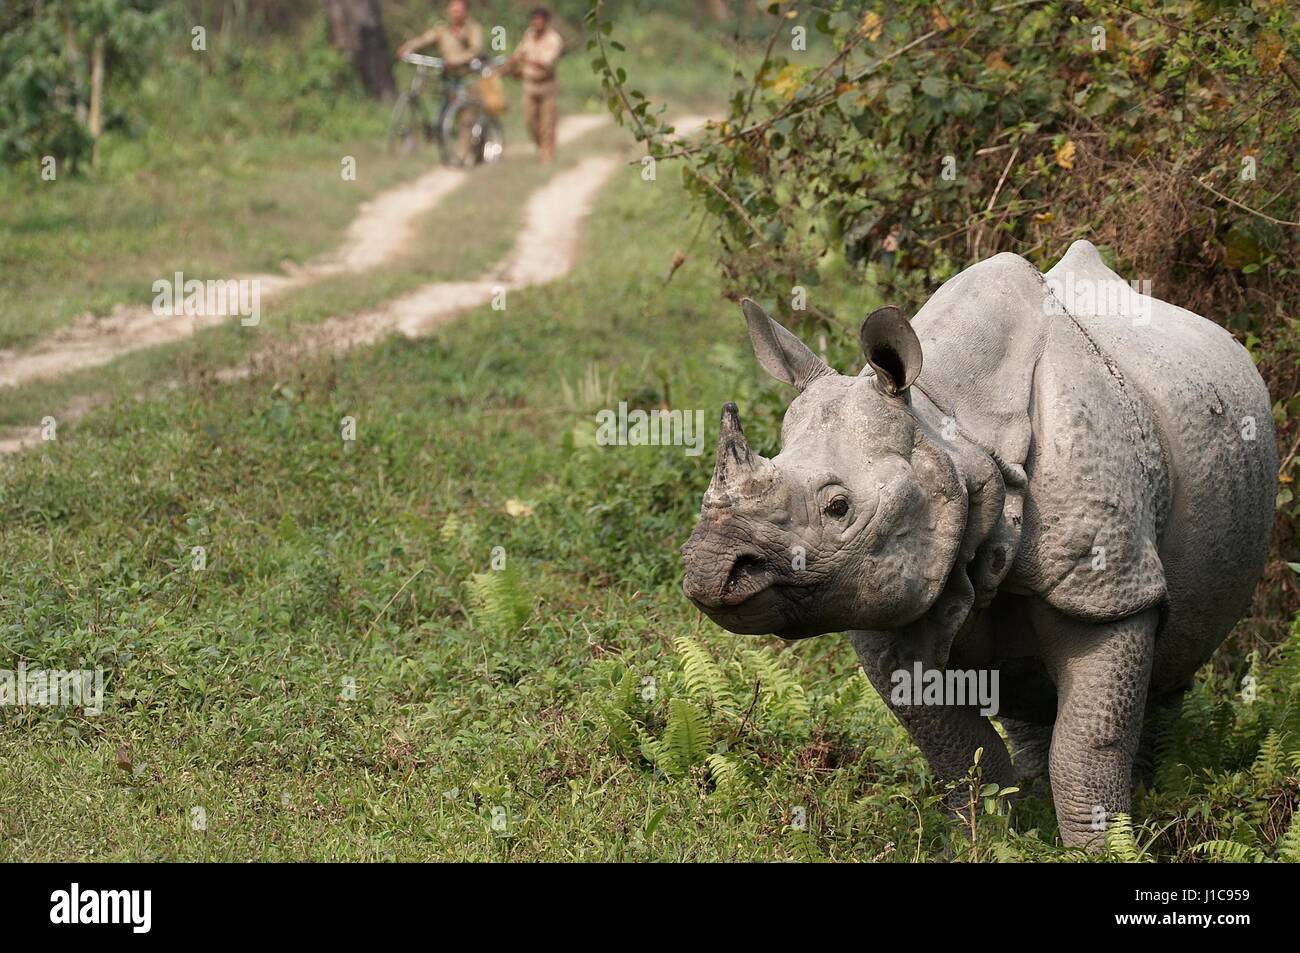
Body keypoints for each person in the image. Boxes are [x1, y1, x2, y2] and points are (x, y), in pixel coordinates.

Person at [508, 7, 564, 162]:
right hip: (529, 85)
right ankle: (542, 148)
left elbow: (546, 63)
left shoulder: (554, 39)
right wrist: (511, 64)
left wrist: (526, 60)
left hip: (547, 85)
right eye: (534, 20)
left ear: (546, 22)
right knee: (530, 120)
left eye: (540, 20)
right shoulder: (529, 35)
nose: (537, 23)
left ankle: (547, 156)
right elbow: (518, 54)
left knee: (547, 123)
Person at [397, 0, 483, 79]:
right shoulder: (442, 30)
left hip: (470, 75)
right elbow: (424, 40)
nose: (455, 12)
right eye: (453, 9)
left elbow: (475, 50)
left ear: (466, 11)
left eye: (459, 10)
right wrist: (408, 46)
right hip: (448, 76)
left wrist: (456, 60)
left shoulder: (473, 29)